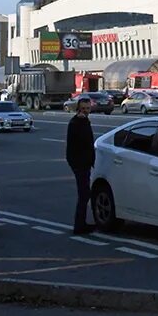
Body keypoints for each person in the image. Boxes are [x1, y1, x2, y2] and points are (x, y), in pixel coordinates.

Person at [66, 97, 95, 235]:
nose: (86, 111)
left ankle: (81, 223)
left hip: (84, 163)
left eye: (88, 108)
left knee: (84, 194)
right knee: (84, 194)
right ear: (79, 108)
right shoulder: (76, 123)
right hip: (80, 164)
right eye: (83, 108)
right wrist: (77, 164)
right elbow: (75, 146)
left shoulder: (84, 121)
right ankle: (79, 226)